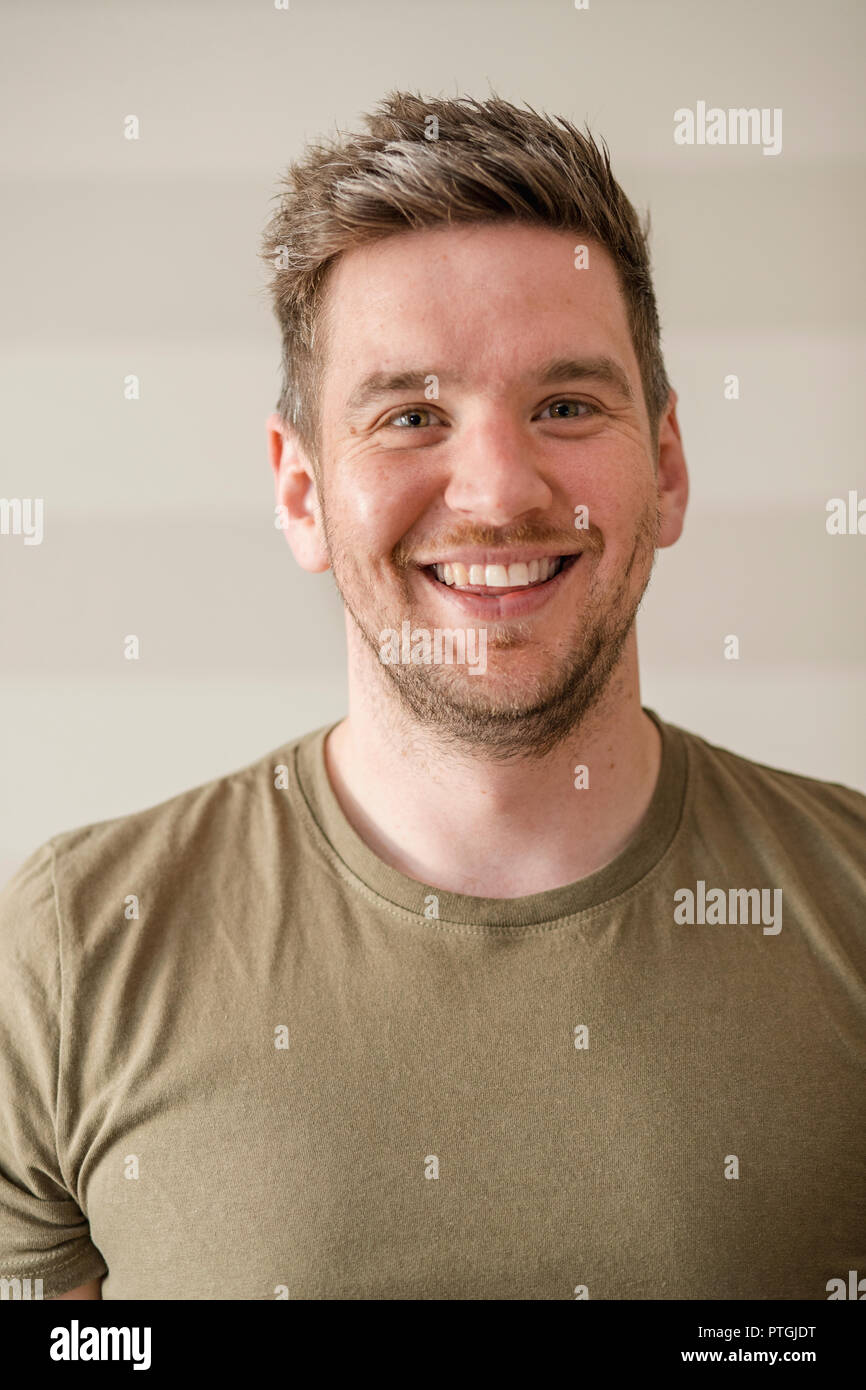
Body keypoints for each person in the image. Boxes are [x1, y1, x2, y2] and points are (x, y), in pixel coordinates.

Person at [1, 93, 863, 1302]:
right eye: (411, 415)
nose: (498, 491)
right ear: (301, 492)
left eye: (565, 405)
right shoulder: (71, 951)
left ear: (664, 465)